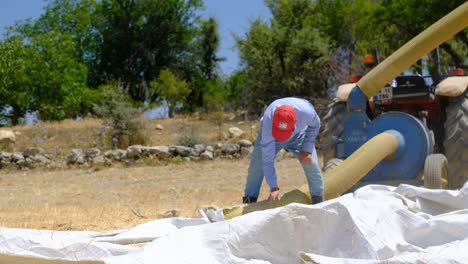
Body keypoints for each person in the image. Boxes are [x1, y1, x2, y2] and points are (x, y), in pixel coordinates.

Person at [243, 97, 324, 204]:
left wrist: (307, 149)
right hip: (272, 136)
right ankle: (249, 202)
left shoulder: (307, 112)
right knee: (257, 165)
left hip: (299, 136)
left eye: (284, 133)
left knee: (311, 164)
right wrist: (273, 187)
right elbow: (267, 160)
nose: (283, 138)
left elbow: (315, 125)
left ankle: (318, 201)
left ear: (295, 122)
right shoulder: (268, 121)